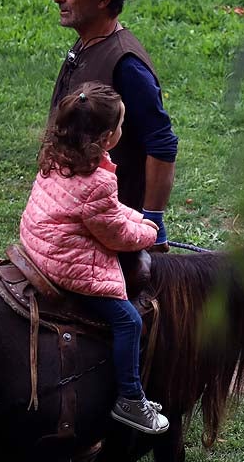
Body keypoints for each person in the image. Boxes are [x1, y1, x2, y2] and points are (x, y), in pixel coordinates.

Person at [20, 81, 170, 435]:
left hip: (40, 241)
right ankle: (130, 399)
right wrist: (150, 233)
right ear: (106, 137)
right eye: (120, 125)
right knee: (129, 321)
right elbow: (115, 234)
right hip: (65, 260)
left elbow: (109, 213)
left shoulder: (64, 156)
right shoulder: (97, 181)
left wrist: (138, 218)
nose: (123, 130)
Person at [46, 0, 178, 250]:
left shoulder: (126, 64)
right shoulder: (87, 43)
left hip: (108, 220)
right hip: (76, 207)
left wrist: (153, 219)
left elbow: (162, 143)